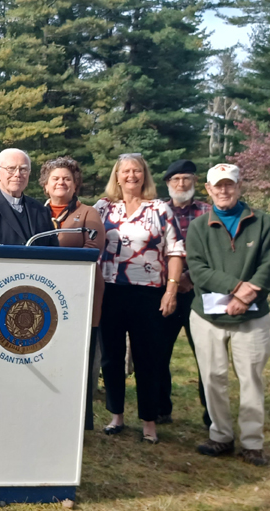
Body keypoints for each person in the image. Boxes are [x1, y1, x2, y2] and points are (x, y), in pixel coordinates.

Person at [186, 164, 270, 466]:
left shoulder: (261, 221)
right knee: (212, 376)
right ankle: (220, 435)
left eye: (229, 185)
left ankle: (252, 442)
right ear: (208, 190)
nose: (224, 191)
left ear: (239, 187)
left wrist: (247, 295)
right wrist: (237, 288)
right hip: (208, 315)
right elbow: (198, 270)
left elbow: (267, 265)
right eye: (217, 186)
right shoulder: (198, 227)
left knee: (251, 377)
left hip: (251, 315)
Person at [94, 153, 184, 444]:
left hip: (147, 292)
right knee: (111, 356)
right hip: (110, 291)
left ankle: (149, 421)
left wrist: (171, 291)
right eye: (125, 171)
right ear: (116, 176)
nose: (131, 176)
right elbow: (91, 246)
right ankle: (116, 415)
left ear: (144, 175)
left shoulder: (160, 209)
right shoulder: (103, 208)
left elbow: (175, 252)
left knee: (147, 356)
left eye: (137, 171)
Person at [38, 157, 106, 430]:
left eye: (67, 178)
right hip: (44, 294)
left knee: (81, 355)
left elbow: (92, 249)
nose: (61, 183)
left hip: (81, 294)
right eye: (55, 178)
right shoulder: (35, 211)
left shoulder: (88, 213)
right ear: (45, 185)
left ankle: (81, 420)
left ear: (76, 183)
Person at [161, 159, 213, 428]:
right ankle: (160, 409)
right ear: (168, 184)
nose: (181, 184)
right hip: (165, 290)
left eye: (187, 179)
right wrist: (171, 280)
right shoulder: (157, 210)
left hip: (199, 292)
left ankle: (212, 415)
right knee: (159, 351)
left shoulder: (207, 211)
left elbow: (214, 252)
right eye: (176, 179)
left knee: (206, 353)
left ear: (195, 182)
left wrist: (189, 277)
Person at [0, 148, 57, 246]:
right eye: (11, 169)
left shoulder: (41, 210)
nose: (17, 174)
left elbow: (54, 252)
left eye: (23, 169)